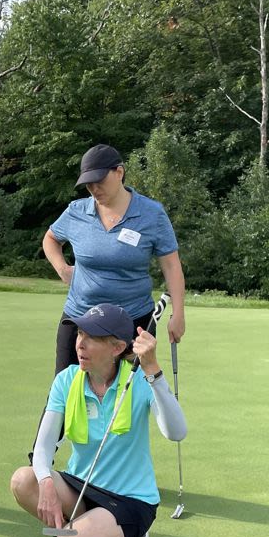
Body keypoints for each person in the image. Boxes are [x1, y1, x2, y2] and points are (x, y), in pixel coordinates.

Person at [10, 303, 187, 537]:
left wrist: (153, 370)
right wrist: (45, 482)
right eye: (80, 334)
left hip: (131, 499)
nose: (80, 344)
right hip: (81, 490)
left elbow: (176, 432)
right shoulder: (66, 380)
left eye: (91, 338)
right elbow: (43, 447)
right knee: (23, 480)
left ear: (116, 348)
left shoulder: (140, 379)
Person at [41, 144, 187, 374]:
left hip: (134, 320)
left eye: (99, 180)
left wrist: (178, 314)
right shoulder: (77, 211)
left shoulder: (151, 214)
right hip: (80, 318)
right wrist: (62, 269)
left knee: (131, 397)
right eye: (88, 184)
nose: (94, 189)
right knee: (65, 393)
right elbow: (50, 239)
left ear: (119, 172)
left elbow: (171, 265)